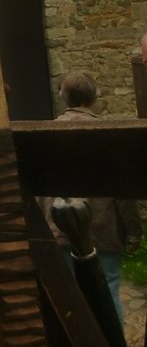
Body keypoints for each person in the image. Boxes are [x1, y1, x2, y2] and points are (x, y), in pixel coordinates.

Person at [44, 70, 143, 329]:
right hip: (102, 230)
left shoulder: (46, 133)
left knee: (71, 295)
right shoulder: (106, 134)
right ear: (94, 97)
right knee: (108, 290)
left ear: (64, 97)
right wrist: (134, 231)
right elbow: (122, 192)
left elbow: (40, 188)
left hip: (60, 227)